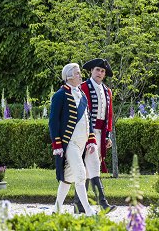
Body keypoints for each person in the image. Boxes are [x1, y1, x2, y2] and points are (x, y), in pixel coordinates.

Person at [49, 63, 98, 216]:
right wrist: (57, 144)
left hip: (82, 143)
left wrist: (91, 140)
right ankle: (88, 211)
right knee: (81, 174)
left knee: (67, 179)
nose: (80, 75)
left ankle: (56, 209)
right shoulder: (60, 95)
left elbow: (87, 119)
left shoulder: (82, 94)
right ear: (69, 77)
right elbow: (53, 121)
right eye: (77, 73)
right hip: (69, 142)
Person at [74, 58, 116, 213]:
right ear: (91, 71)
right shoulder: (83, 87)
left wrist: (107, 136)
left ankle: (78, 205)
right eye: (98, 70)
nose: (100, 73)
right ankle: (103, 203)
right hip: (85, 133)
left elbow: (108, 116)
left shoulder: (107, 91)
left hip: (100, 134)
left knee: (86, 168)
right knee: (91, 166)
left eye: (103, 71)